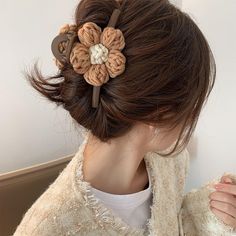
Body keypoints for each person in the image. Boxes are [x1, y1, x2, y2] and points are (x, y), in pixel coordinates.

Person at [13, 0, 236, 235]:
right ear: (160, 113)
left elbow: (169, 223)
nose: (191, 118)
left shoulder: (170, 163)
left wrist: (210, 212)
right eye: (191, 107)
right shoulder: (46, 229)